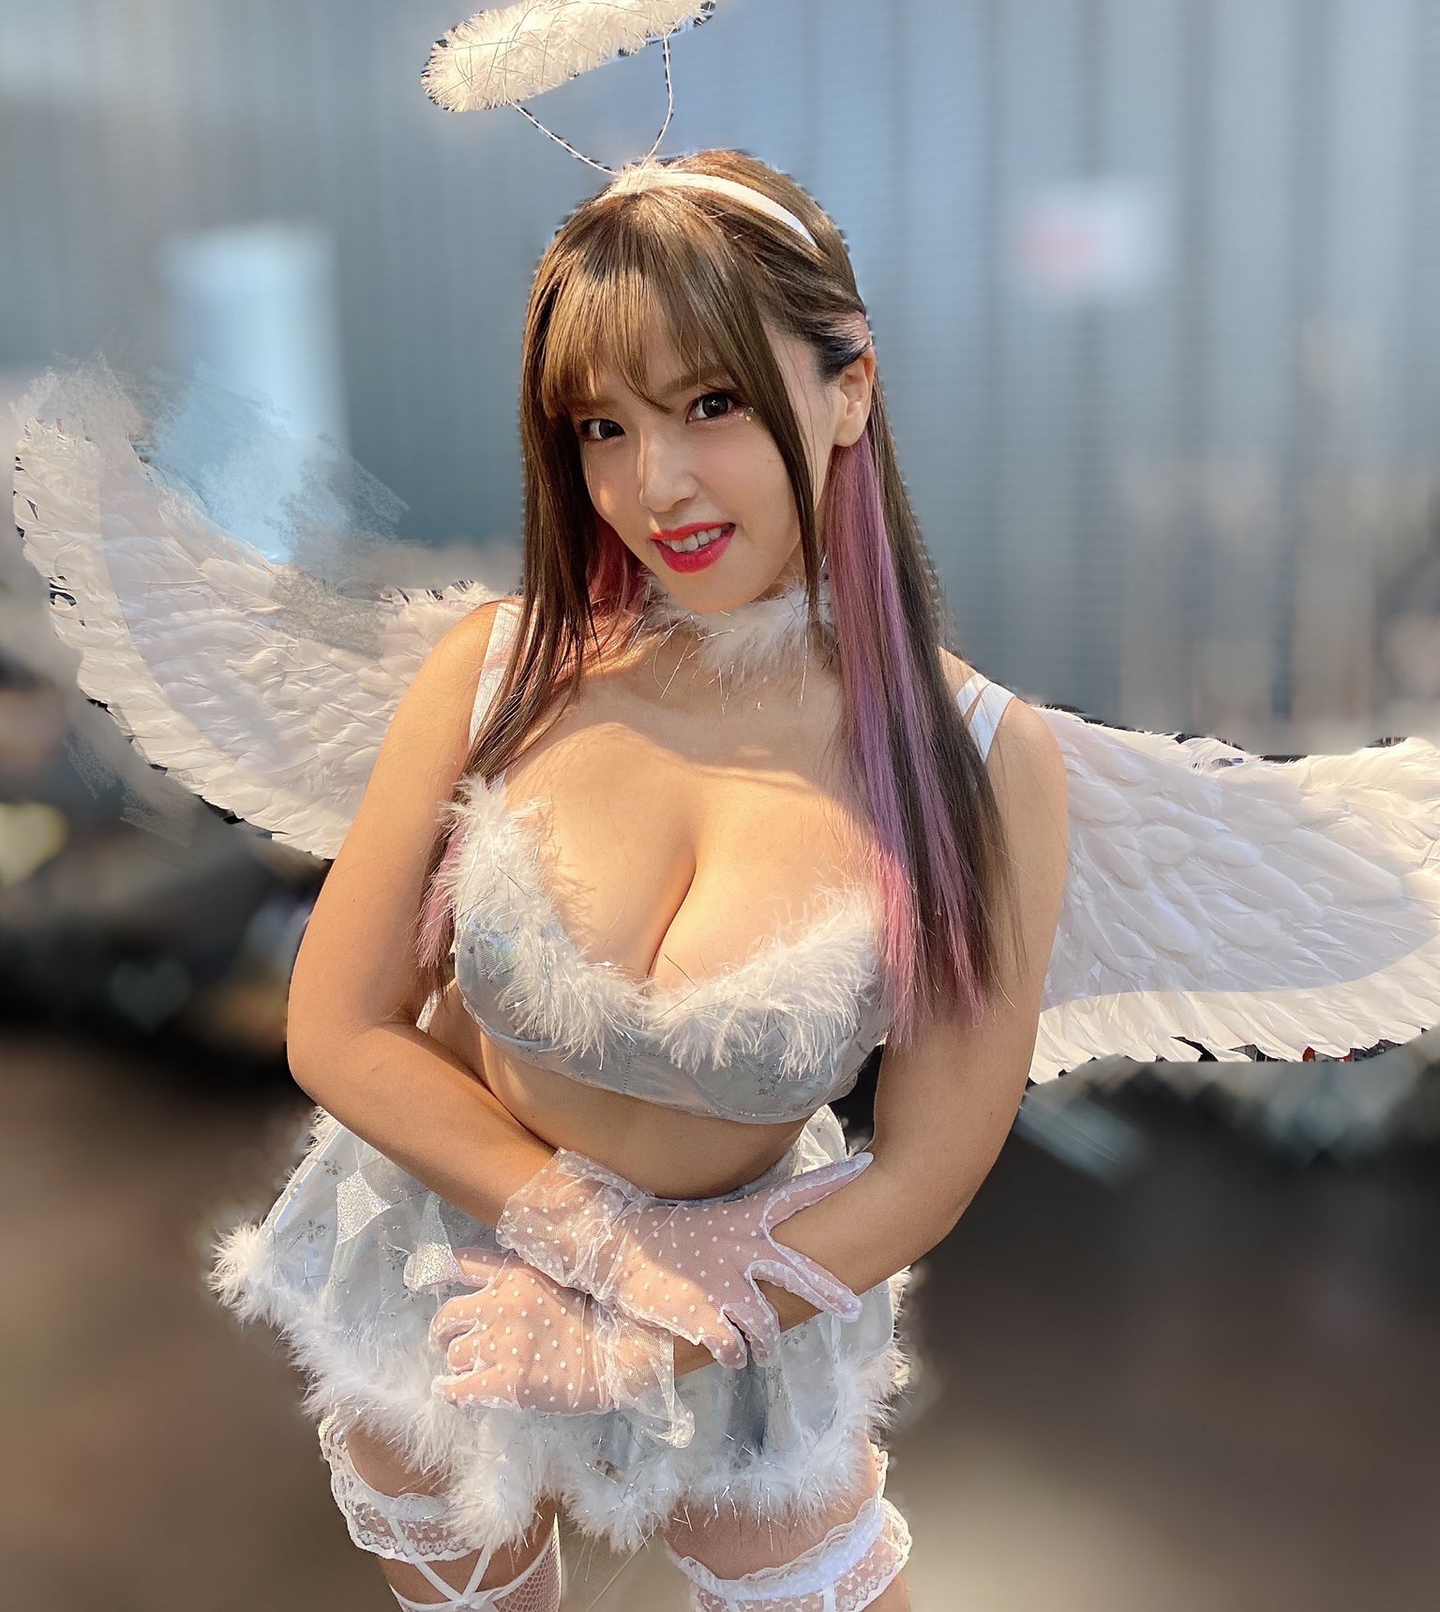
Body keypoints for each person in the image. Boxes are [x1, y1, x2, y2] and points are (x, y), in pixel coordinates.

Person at [213, 148, 1071, 1609]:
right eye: (601, 426)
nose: (650, 485)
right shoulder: (500, 672)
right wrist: (590, 1242)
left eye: (712, 404)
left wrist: (645, 1321)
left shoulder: (980, 762)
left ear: (850, 386)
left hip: (736, 1287)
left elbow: (927, 1166)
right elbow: (339, 1025)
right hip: (447, 1258)